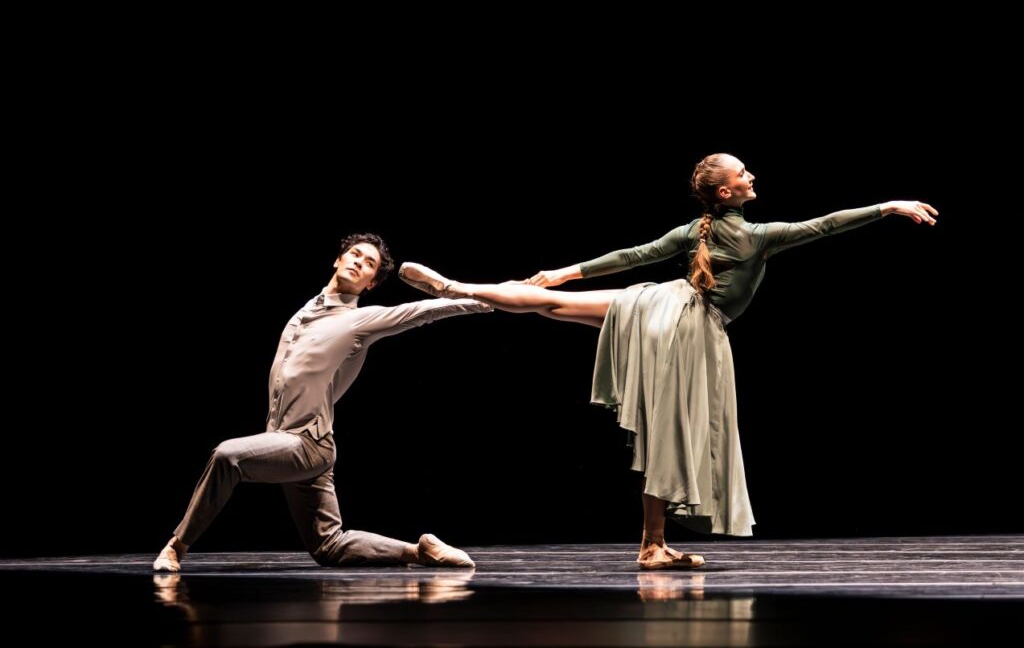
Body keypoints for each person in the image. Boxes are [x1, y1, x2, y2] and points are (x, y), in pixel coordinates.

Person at [398, 154, 938, 570]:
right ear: (727, 192)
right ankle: (652, 544)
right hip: (691, 330)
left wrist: (566, 271)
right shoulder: (756, 236)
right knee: (670, 439)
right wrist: (886, 207)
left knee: (552, 304)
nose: (752, 177)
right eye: (744, 174)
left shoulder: (693, 232)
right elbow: (825, 225)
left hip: (658, 304)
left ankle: (459, 289)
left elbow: (633, 258)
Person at [154, 233, 492, 572]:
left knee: (228, 456)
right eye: (355, 254)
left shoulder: (359, 320)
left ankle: (175, 547)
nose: (358, 261)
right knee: (328, 546)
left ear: (371, 283)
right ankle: (420, 551)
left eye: (369, 263)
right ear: (338, 259)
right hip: (287, 440)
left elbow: (419, 312)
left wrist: (486, 297)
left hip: (306, 444)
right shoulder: (306, 310)